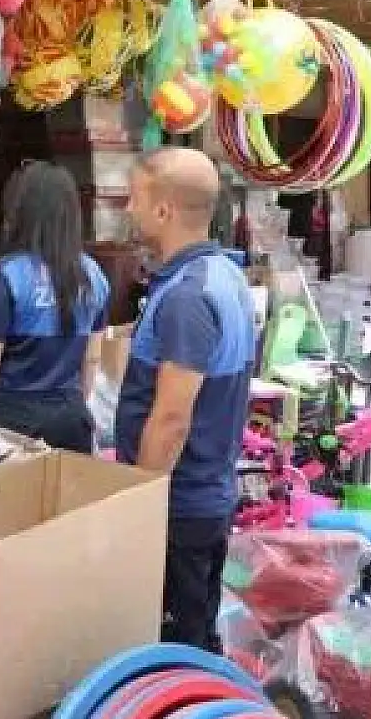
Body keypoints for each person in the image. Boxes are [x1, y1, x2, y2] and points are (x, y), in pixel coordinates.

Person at [114, 147, 256, 653]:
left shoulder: (186, 296)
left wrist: (139, 506)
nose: (127, 209)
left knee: (173, 649)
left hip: (179, 505)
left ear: (163, 211)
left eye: (134, 198)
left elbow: (171, 419)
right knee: (195, 634)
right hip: (205, 496)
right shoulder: (223, 275)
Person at [0, 162, 109, 454]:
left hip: (9, 423)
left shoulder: (7, 275)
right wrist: (74, 405)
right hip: (70, 420)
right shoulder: (93, 275)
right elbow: (92, 358)